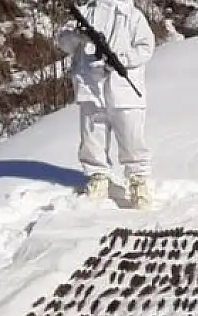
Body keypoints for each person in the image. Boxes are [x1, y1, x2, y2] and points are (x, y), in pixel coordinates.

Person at [55, 0, 156, 208]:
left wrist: (120, 59)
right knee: (93, 136)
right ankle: (98, 176)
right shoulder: (84, 13)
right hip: (91, 86)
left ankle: (138, 180)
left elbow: (146, 47)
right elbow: (63, 42)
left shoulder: (133, 16)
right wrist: (77, 36)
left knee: (131, 136)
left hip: (124, 89)